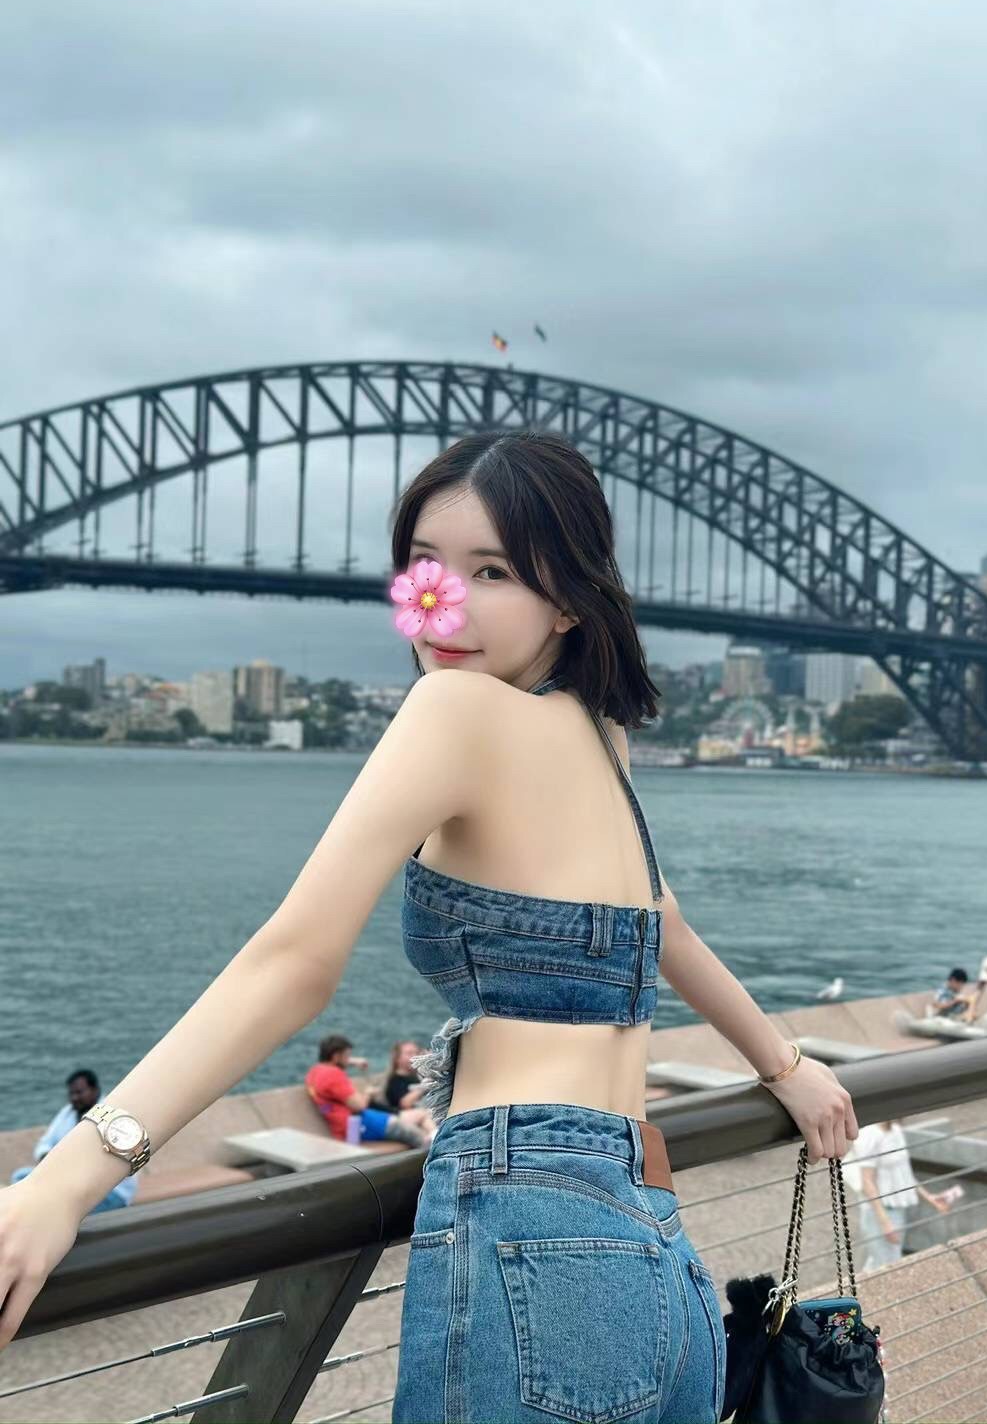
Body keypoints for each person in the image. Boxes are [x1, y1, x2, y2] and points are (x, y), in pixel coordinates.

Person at [0, 431, 860, 1424]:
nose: (443, 604)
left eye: (492, 571)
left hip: (533, 1226)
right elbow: (659, 922)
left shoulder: (453, 709)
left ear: (570, 599)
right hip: (656, 1258)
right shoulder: (600, 734)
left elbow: (293, 963)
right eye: (424, 567)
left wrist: (69, 1180)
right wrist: (785, 1065)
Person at [7, 1070, 138, 1214]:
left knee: (55, 1205)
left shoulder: (110, 1114)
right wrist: (47, 1157)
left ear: (95, 1090)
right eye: (71, 1093)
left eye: (79, 1092)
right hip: (70, 1182)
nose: (74, 1098)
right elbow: (45, 1142)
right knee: (21, 1177)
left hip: (109, 1191)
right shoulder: (68, 1112)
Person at [841, 1119, 952, 1271]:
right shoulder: (868, 1135)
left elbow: (904, 1174)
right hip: (879, 1213)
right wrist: (885, 1223)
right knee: (888, 1266)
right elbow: (867, 1181)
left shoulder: (896, 1130)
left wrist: (929, 1197)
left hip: (897, 1211)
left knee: (881, 1263)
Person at [305, 1036, 433, 1148]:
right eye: (347, 1056)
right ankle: (434, 1158)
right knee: (413, 1133)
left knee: (402, 1122)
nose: (349, 1059)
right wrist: (368, 1093)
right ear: (336, 1056)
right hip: (354, 1126)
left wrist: (353, 1062)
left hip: (356, 1120)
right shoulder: (334, 1075)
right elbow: (359, 1105)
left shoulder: (315, 1071)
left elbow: (334, 1063)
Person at [382, 1040, 426, 1112]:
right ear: (397, 1058)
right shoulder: (395, 1080)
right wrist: (425, 1087)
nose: (415, 1057)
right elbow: (405, 1103)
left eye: (417, 1053)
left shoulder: (417, 1077)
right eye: (409, 1053)